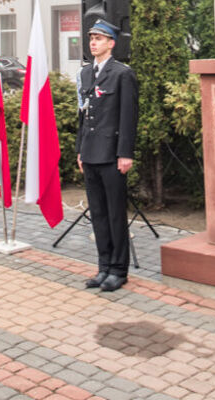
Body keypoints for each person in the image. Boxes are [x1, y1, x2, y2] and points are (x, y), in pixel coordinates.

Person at [76, 19, 139, 293]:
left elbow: (128, 117)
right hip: (90, 153)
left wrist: (125, 153)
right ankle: (103, 267)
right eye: (91, 38)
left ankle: (118, 270)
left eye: (99, 38)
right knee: (98, 214)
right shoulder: (86, 73)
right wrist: (80, 149)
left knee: (115, 214)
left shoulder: (122, 73)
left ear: (111, 43)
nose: (93, 42)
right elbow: (83, 114)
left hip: (112, 155)